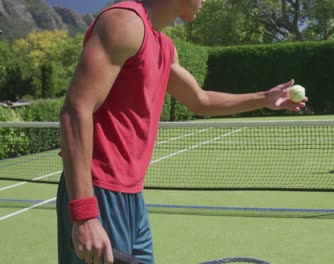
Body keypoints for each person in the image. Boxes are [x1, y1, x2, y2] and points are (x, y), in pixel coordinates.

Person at [56, 0, 307, 263]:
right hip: (97, 190)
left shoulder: (164, 47)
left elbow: (201, 101)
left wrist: (265, 98)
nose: (204, 2)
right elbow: (76, 109)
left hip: (132, 196)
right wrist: (84, 215)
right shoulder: (125, 22)